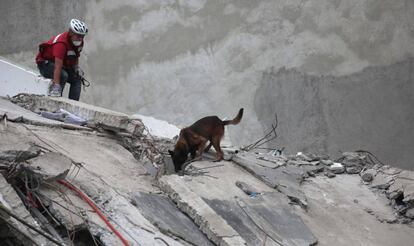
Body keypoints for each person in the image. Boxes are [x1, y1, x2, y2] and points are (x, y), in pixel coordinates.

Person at [36, 19, 88, 101]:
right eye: (78, 36)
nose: (80, 39)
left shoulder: (79, 42)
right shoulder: (61, 43)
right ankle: (57, 99)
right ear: (71, 33)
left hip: (61, 65)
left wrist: (76, 67)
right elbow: (58, 67)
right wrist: (56, 85)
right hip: (45, 65)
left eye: (82, 36)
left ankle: (74, 105)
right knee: (63, 75)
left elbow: (76, 55)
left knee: (77, 78)